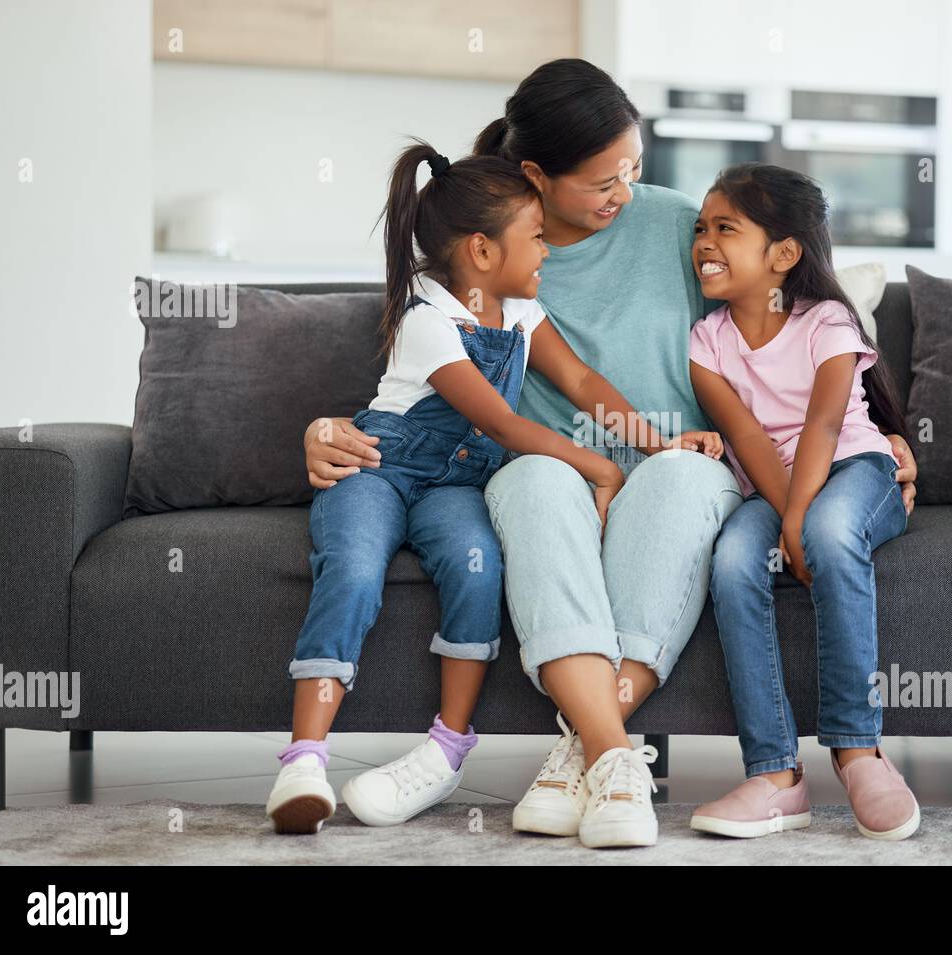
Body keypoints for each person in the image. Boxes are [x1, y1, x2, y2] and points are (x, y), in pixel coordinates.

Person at [302, 59, 918, 849]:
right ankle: (611, 754)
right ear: (536, 176)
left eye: (632, 169)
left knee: (679, 473)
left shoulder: (679, 228)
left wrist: (881, 427)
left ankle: (580, 752)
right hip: (550, 476)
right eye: (602, 181)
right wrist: (321, 430)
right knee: (531, 481)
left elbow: (793, 320)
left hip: (681, 469)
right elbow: (413, 385)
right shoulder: (489, 256)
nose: (622, 193)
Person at [268, 138, 718, 835]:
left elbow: (582, 383)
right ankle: (304, 758)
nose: (546, 252)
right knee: (353, 571)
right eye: (535, 238)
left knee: (478, 571)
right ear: (481, 251)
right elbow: (503, 423)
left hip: (453, 487)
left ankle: (448, 745)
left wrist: (660, 444)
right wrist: (598, 467)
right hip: (380, 469)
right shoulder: (426, 317)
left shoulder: (520, 312)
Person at [687, 163, 918, 841]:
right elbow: (748, 437)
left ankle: (858, 749)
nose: (704, 241)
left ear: (784, 254)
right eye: (701, 227)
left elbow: (822, 426)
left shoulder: (827, 321)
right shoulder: (708, 341)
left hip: (853, 467)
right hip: (773, 485)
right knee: (731, 560)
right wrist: (786, 516)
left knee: (831, 531)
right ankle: (776, 774)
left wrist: (798, 521)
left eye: (725, 228)